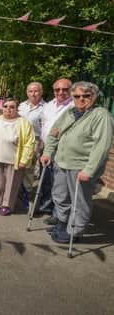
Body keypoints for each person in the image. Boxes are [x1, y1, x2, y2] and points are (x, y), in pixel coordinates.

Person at [40, 82, 114, 243]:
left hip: (81, 166)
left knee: (79, 201)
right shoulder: (69, 112)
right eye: (77, 96)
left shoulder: (101, 115)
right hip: (61, 162)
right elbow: (54, 133)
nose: (81, 99)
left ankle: (75, 230)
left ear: (94, 97)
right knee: (59, 196)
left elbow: (101, 146)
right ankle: (62, 223)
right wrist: (48, 152)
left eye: (86, 96)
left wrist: (89, 170)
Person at [0, 98, 35, 216]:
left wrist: (24, 160)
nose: (8, 109)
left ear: (17, 109)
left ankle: (6, 205)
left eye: (12, 107)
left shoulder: (24, 123)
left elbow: (29, 143)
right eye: (6, 106)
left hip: (13, 159)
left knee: (11, 184)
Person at [37, 78, 73, 223]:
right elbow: (44, 125)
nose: (61, 92)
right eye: (57, 89)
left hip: (61, 149)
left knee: (59, 183)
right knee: (45, 178)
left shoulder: (72, 106)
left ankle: (58, 213)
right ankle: (46, 205)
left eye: (64, 89)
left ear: (70, 90)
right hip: (46, 146)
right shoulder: (48, 105)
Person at [18, 82, 46, 191]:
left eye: (36, 91)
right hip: (19, 139)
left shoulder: (46, 107)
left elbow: (45, 127)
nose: (33, 94)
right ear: (27, 92)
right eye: (30, 91)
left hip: (35, 140)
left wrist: (42, 144)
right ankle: (17, 188)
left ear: (41, 92)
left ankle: (27, 190)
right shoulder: (21, 105)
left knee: (29, 166)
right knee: (18, 164)